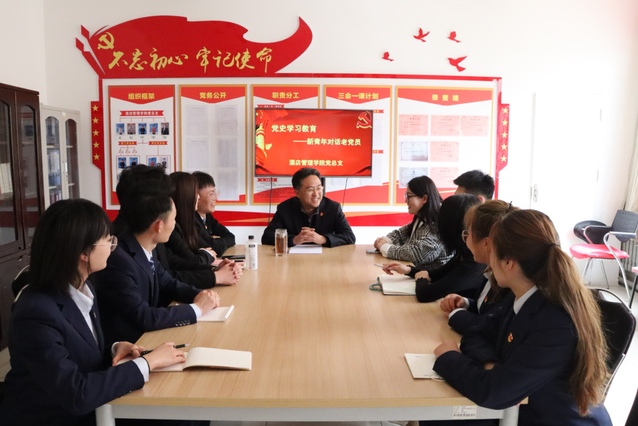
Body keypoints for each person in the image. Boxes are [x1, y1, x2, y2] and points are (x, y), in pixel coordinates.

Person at [0, 199, 186, 426]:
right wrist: (148, 363)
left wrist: (114, 349)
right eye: (107, 240)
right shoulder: (36, 313)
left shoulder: (84, 288)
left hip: (92, 407)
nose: (112, 246)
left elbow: (77, 351)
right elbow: (76, 394)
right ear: (83, 253)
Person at [432, 209, 612, 425]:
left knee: (435, 418)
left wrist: (449, 357)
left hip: (554, 420)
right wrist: (491, 364)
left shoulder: (555, 323)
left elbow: (494, 392)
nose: (489, 260)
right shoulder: (521, 296)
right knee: (433, 418)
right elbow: (476, 334)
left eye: (492, 251)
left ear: (508, 262)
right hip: (520, 409)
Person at [92, 187, 222, 347]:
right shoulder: (119, 260)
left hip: (147, 338)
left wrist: (201, 295)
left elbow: (168, 283)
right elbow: (144, 316)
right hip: (129, 346)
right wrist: (197, 308)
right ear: (159, 226)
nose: (175, 224)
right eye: (174, 219)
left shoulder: (146, 247)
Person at [381, 194, 483, 303]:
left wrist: (421, 279)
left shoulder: (474, 261)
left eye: (409, 196)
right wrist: (409, 270)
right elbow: (439, 273)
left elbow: (425, 294)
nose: (406, 200)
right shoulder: (464, 253)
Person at [439, 200, 515, 335]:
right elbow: (486, 308)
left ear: (486, 243)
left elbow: (490, 326)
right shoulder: (490, 270)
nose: (466, 240)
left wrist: (455, 313)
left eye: (468, 234)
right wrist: (465, 303)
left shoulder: (507, 280)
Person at [166, 172, 241, 287]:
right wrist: (215, 273)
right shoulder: (173, 228)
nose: (198, 197)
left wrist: (214, 268)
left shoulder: (188, 221)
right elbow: (193, 260)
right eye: (195, 193)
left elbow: (192, 261)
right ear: (185, 197)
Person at [261, 167, 356, 247]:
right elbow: (267, 237)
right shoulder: (285, 208)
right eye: (310, 190)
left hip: (325, 259)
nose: (316, 194)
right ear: (297, 193)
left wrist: (322, 239)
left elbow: (350, 237)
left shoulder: (333, 208)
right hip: (294, 259)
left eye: (318, 188)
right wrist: (294, 239)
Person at [374, 175, 452, 268]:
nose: (406, 201)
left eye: (409, 196)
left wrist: (384, 247)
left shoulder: (437, 223)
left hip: (432, 276)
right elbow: (400, 234)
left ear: (424, 198)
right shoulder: (422, 217)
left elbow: (416, 254)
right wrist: (385, 240)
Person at [192, 171, 236, 255]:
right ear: (196, 196)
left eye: (215, 193)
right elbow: (216, 248)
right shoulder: (191, 219)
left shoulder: (207, 216)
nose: (216, 198)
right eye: (211, 194)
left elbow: (231, 237)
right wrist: (215, 241)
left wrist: (216, 240)